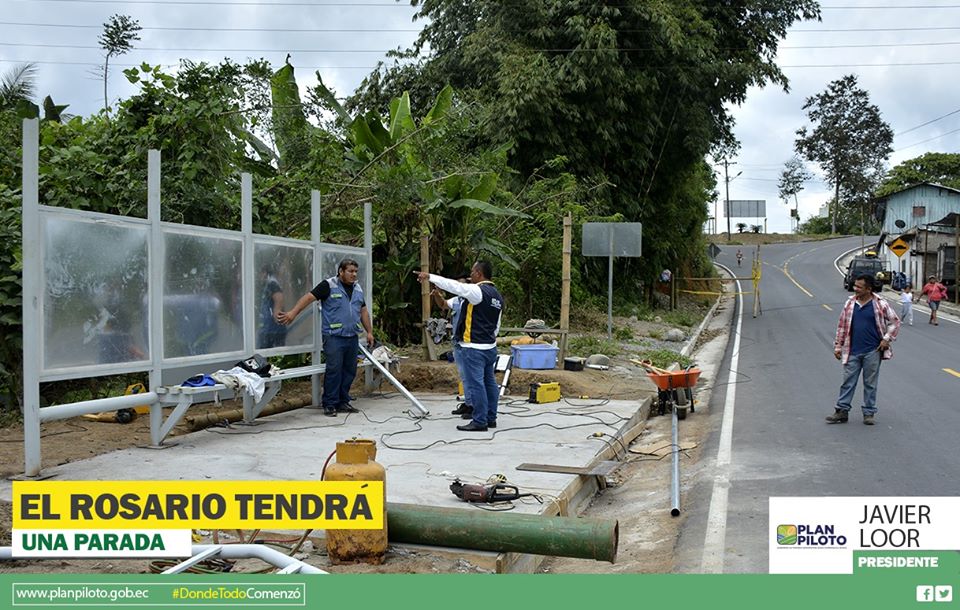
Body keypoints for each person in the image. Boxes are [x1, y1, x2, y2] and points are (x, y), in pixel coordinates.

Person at [278, 258, 374, 417]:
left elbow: (363, 311)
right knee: (334, 370)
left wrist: (369, 331)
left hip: (352, 337)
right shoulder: (328, 285)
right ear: (341, 271)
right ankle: (330, 404)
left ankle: (343, 401)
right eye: (350, 271)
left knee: (349, 370)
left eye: (356, 272)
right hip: (334, 337)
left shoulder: (357, 288)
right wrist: (293, 313)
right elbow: (308, 298)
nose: (354, 274)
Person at [416, 261, 503, 432]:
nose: (470, 275)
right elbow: (496, 325)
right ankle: (490, 418)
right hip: (489, 347)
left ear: (479, 273)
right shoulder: (497, 296)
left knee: (476, 385)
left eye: (472, 272)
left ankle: (479, 421)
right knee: (490, 383)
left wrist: (430, 276)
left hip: (474, 347)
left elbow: (454, 286)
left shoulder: (477, 291)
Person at [828, 274, 900, 426]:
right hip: (852, 350)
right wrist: (838, 346)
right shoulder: (850, 303)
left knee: (870, 383)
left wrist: (886, 339)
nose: (855, 289)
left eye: (859, 287)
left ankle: (869, 412)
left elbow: (894, 322)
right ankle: (842, 411)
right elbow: (842, 326)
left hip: (872, 351)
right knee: (848, 382)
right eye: (855, 286)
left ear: (869, 289)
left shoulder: (880, 304)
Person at [430, 272, 474, 417]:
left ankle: (474, 406)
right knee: (464, 375)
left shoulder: (473, 300)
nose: (458, 287)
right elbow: (443, 304)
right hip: (458, 343)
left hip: (469, 343)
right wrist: (437, 295)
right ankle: (468, 403)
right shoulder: (457, 300)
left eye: (461, 285)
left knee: (471, 376)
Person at [257, 264, 287, 348]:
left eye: (261, 273)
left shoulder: (272, 284)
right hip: (269, 329)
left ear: (265, 273)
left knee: (266, 352)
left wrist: (276, 313)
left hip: (272, 331)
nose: (259, 276)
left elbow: (279, 297)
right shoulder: (269, 284)